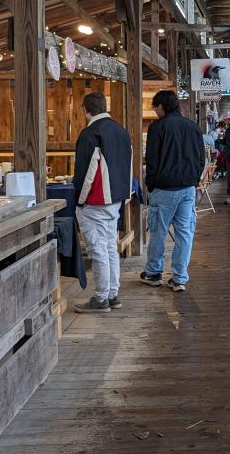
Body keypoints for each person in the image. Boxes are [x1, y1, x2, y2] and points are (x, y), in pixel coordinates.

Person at [71, 91, 133, 313]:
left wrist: (79, 200)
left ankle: (101, 298)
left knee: (98, 250)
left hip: (95, 200)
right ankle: (112, 294)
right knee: (109, 248)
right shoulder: (122, 131)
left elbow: (86, 172)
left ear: (86, 110)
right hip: (115, 198)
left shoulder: (91, 133)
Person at [141, 90, 205, 293]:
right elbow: (200, 159)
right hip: (187, 189)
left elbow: (151, 160)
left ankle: (153, 273)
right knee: (185, 233)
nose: (155, 111)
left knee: (159, 232)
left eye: (155, 107)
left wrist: (151, 184)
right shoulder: (193, 127)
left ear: (161, 106)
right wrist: (194, 180)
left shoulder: (157, 128)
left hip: (164, 189)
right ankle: (179, 278)